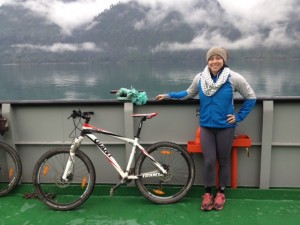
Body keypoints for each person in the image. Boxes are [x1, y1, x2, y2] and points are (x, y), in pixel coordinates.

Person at [156, 47, 256, 211]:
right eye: (211, 58)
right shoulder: (200, 78)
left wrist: (238, 117)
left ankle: (221, 193)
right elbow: (188, 93)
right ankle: (208, 193)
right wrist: (168, 95)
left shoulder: (233, 78)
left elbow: (251, 97)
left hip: (225, 127)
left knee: (223, 161)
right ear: (207, 61)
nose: (214, 61)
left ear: (224, 60)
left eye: (218, 58)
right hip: (206, 127)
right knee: (209, 161)